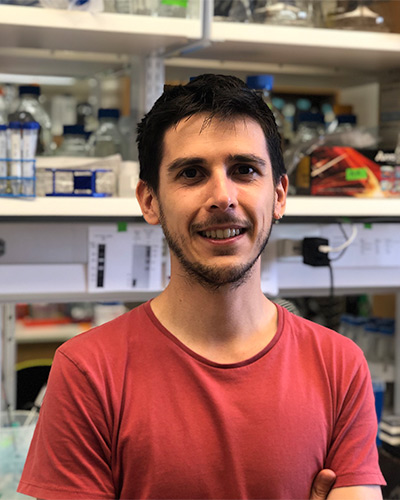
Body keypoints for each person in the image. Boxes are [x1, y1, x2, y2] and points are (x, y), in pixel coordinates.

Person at [18, 74, 385, 499]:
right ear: (149, 200)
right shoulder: (89, 372)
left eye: (245, 170)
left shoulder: (339, 366)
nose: (222, 196)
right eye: (191, 173)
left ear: (279, 195)